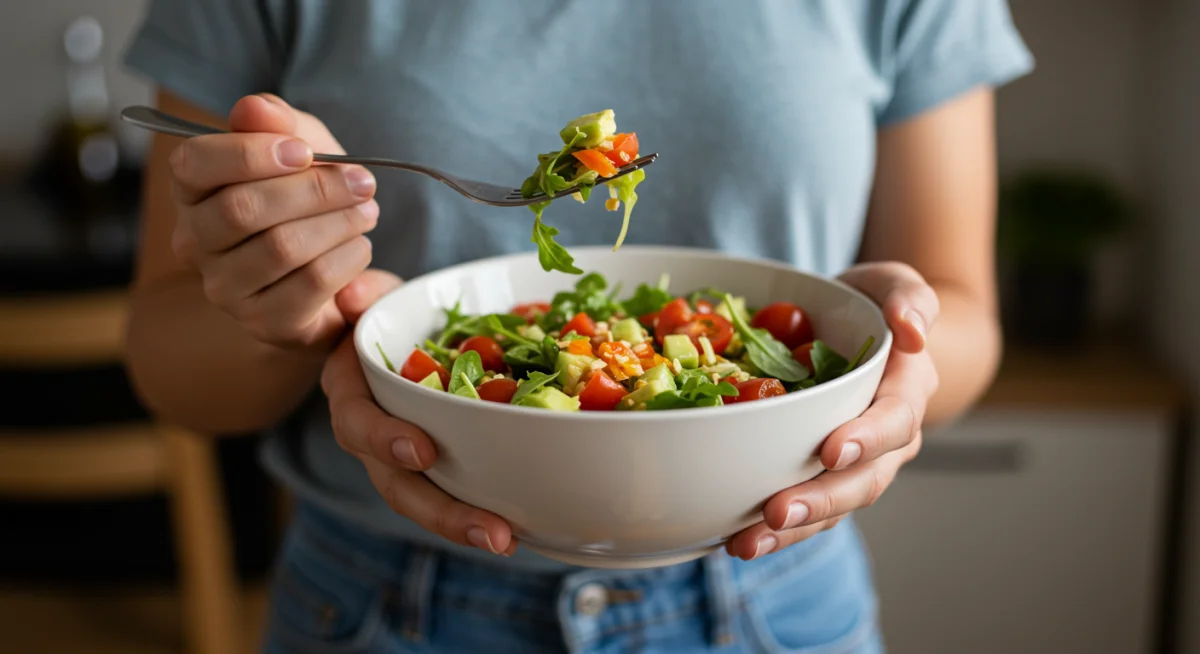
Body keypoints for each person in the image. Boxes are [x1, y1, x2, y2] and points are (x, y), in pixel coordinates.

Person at [121, 1, 1032, 652]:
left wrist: (890, 349)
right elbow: (168, 363)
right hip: (380, 603)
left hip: (774, 602)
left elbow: (964, 317)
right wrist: (288, 305)